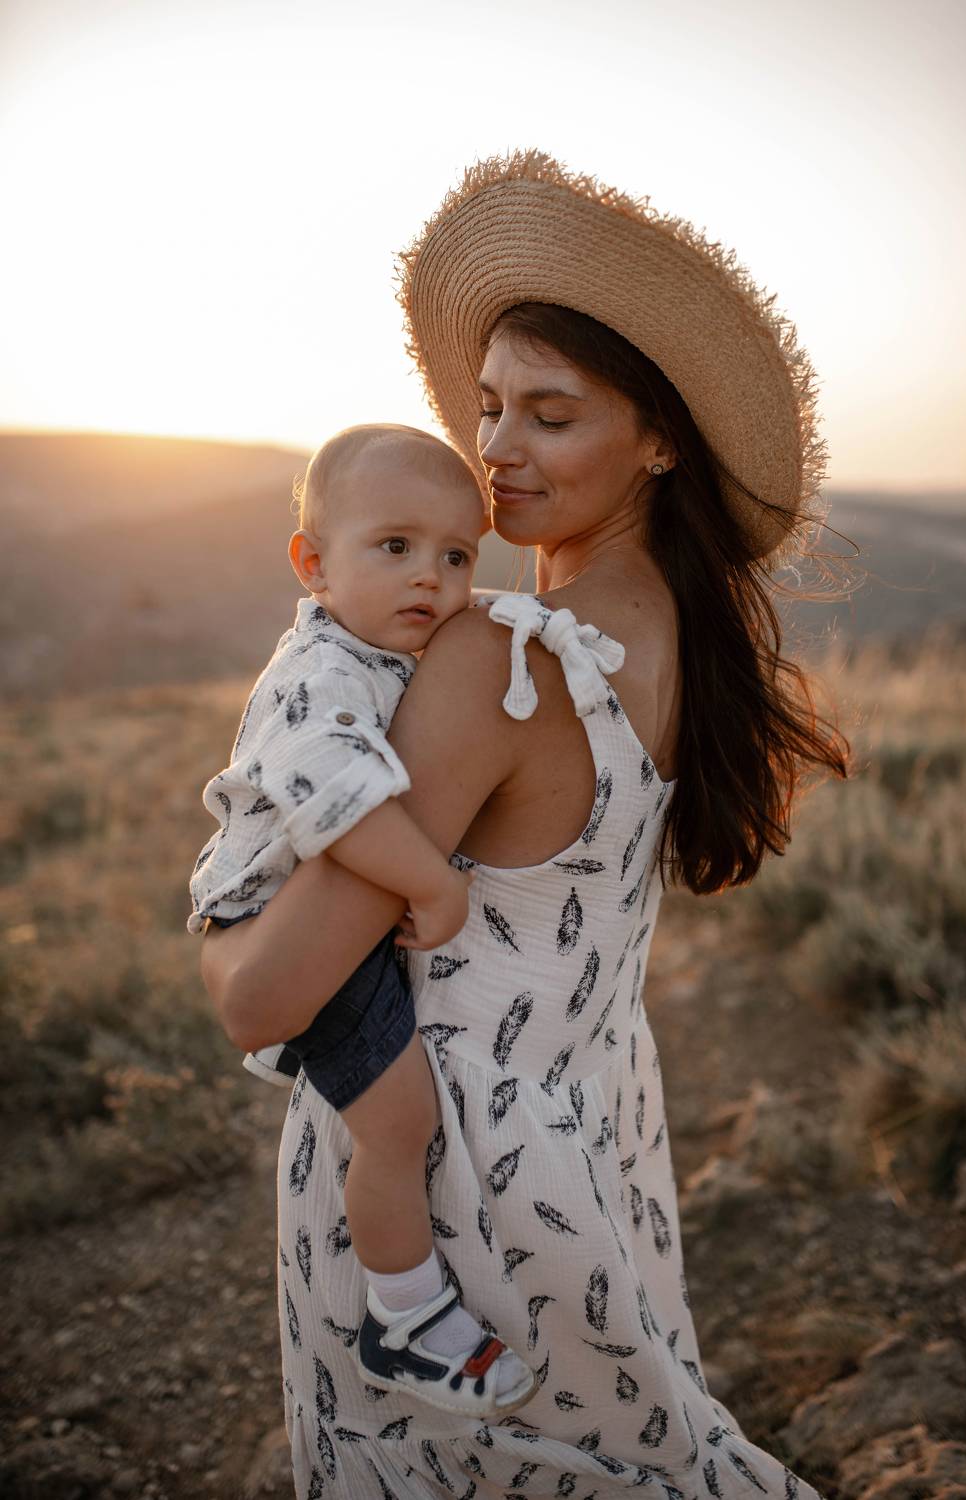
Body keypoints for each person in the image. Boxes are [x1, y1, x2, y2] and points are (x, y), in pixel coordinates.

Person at [201, 149, 847, 1497]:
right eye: (489, 407)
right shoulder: (674, 637)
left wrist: (219, 922)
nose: (494, 449)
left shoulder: (500, 656)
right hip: (582, 1124)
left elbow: (267, 998)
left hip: (442, 1170)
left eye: (550, 415)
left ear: (659, 440)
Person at [187, 421, 538, 1419]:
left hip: (332, 925)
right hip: (280, 917)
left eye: (457, 556)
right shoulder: (320, 673)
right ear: (313, 564)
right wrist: (432, 885)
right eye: (394, 546)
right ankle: (406, 1315)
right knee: (398, 1123)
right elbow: (336, 800)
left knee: (400, 1115)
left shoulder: (384, 646)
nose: (431, 575)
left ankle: (408, 1303)